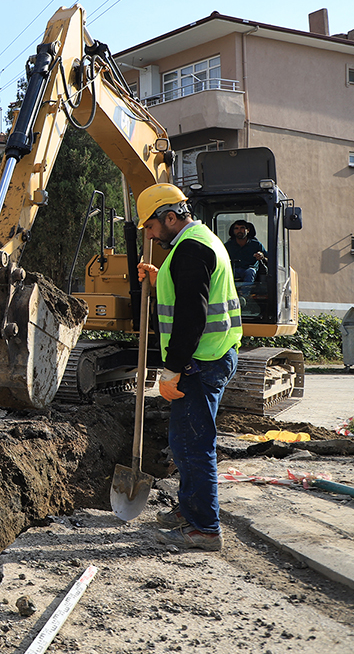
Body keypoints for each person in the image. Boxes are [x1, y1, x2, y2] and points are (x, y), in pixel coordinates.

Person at [135, 183, 242, 552]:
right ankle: (190, 509)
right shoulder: (197, 242)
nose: (149, 234)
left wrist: (172, 368)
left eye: (150, 226)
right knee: (184, 443)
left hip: (202, 361)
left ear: (169, 217)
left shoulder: (191, 250)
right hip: (211, 356)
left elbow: (191, 317)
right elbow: (189, 292)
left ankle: (204, 529)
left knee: (194, 445)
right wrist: (157, 277)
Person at [224, 219, 267, 288]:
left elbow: (268, 258)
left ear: (248, 230)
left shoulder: (256, 245)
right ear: (233, 231)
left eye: (242, 228)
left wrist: (262, 257)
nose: (239, 231)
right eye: (236, 228)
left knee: (250, 272)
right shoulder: (228, 246)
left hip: (249, 269)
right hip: (234, 270)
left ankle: (245, 295)